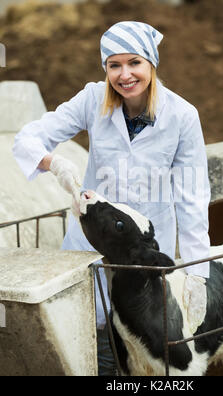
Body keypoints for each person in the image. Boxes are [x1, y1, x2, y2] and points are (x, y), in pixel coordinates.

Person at [13, 21, 211, 375]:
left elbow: (192, 199)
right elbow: (28, 138)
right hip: (91, 241)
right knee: (93, 334)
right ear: (105, 68)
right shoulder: (92, 99)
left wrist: (197, 274)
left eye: (134, 62)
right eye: (114, 65)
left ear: (151, 63)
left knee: (143, 342)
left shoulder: (181, 116)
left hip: (142, 252)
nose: (124, 75)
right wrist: (54, 162)